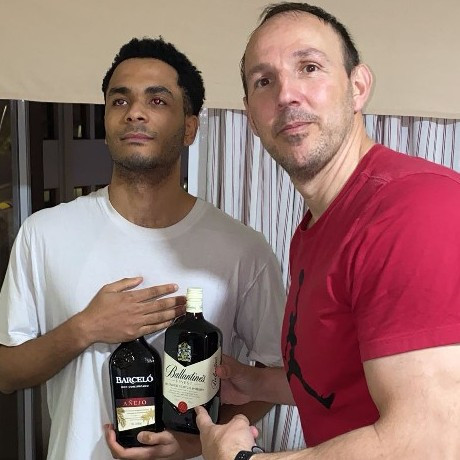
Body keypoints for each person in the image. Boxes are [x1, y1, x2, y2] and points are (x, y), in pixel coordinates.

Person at [195, 2, 460, 459]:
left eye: (309, 67)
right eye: (264, 81)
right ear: (252, 117)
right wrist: (256, 383)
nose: (286, 95)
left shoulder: (414, 209)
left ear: (358, 87)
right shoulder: (313, 230)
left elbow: (432, 442)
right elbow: (344, 380)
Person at [0, 37, 285, 460]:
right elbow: (7, 373)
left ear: (189, 128)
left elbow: (273, 377)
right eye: (120, 101)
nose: (134, 112)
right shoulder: (43, 234)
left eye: (157, 101)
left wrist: (193, 443)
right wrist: (86, 328)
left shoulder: (243, 249)